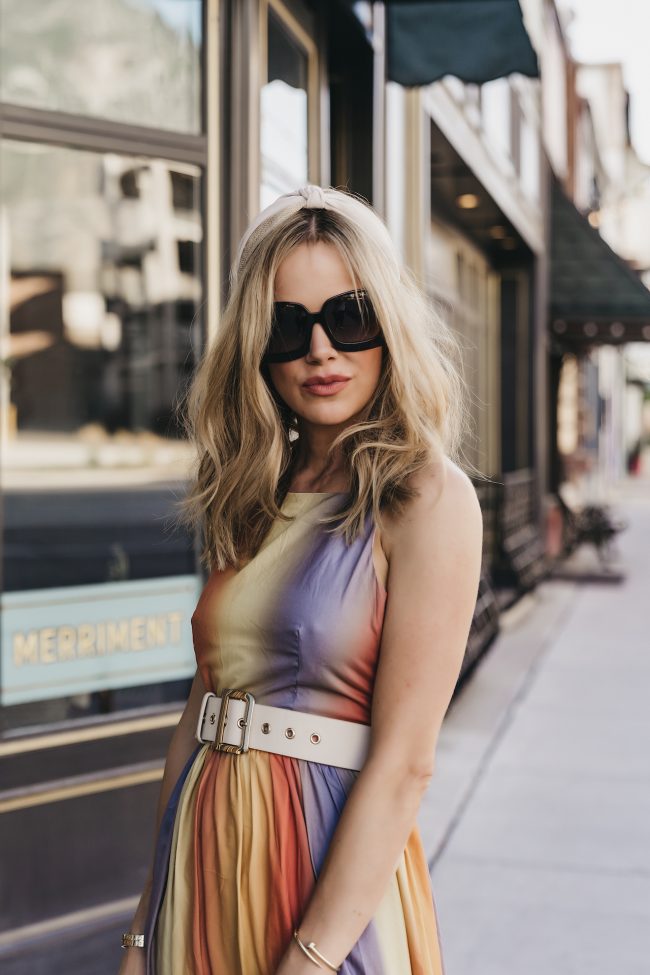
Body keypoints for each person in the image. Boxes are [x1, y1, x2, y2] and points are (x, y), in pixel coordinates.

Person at [117, 183, 483, 975]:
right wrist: (145, 924)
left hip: (325, 873)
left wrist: (312, 959)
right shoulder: (256, 489)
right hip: (205, 853)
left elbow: (406, 760)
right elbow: (199, 711)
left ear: (388, 325)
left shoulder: (426, 496)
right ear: (258, 348)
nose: (321, 350)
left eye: (348, 317)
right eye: (289, 327)